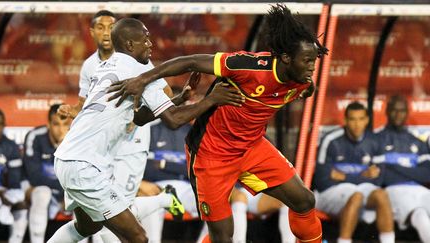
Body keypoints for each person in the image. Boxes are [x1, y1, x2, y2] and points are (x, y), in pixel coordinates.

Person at [108, 4, 327, 243]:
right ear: (286, 58)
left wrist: (307, 88)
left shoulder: (302, 81)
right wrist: (143, 79)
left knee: (305, 201)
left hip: (252, 148)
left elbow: (307, 88)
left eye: (314, 61)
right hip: (210, 155)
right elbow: (191, 61)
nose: (312, 68)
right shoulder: (246, 66)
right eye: (307, 61)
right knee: (223, 237)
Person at [48, 18, 244, 243]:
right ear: (130, 45)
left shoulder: (104, 66)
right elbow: (172, 121)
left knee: (86, 227)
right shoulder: (139, 69)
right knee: (138, 237)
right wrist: (211, 99)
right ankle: (164, 200)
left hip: (67, 159)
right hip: (85, 166)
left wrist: (179, 100)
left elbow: (138, 117)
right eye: (145, 39)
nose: (151, 44)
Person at [142, 113, 248, 243]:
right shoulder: (150, 132)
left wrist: (164, 164)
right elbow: (146, 169)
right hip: (159, 186)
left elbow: (200, 169)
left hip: (188, 187)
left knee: (222, 198)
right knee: (152, 197)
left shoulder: (194, 133)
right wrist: (181, 167)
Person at [313, 101, 395, 243]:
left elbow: (379, 180)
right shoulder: (331, 140)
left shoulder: (375, 140)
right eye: (352, 119)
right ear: (345, 120)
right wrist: (363, 176)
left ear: (367, 120)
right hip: (331, 192)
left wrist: (343, 176)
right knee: (356, 197)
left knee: (381, 195)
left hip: (361, 189)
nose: (357, 124)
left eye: (361, 119)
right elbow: (322, 180)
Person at [373, 95, 430, 243]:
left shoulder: (417, 142)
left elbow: (427, 175)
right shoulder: (375, 139)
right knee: (420, 217)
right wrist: (413, 173)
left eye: (402, 110)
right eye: (394, 110)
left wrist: (393, 166)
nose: (398, 114)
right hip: (392, 191)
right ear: (387, 111)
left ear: (407, 112)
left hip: (420, 190)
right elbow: (382, 176)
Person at [22, 104, 72, 243]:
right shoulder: (35, 136)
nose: (61, 129)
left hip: (63, 190)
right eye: (56, 124)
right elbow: (34, 176)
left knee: (83, 197)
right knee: (43, 193)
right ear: (48, 124)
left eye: (65, 124)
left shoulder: (75, 140)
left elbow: (79, 176)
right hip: (34, 187)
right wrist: (63, 191)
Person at [0, 108, 27, 243]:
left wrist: (4, 194)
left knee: (21, 203)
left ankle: (15, 240)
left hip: (6, 191)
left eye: (0, 124)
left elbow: (15, 180)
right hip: (0, 194)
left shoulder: (11, 146)